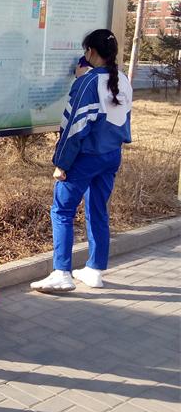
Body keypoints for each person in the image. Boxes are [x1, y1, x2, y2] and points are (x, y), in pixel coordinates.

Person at [31, 30, 133, 293]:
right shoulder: (122, 78)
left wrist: (61, 163)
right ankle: (95, 270)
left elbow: (74, 128)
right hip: (111, 155)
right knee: (97, 210)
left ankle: (61, 272)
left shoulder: (88, 83)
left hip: (85, 158)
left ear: (90, 53)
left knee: (62, 211)